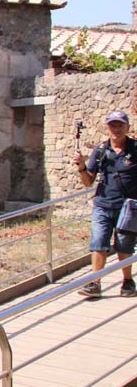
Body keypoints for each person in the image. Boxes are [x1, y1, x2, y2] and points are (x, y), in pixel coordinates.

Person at [73, 110, 137, 297]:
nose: (116, 129)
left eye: (120, 125)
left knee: (124, 246)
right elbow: (88, 181)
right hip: (102, 205)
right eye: (112, 125)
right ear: (107, 128)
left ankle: (127, 281)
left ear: (127, 127)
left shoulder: (135, 149)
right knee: (98, 242)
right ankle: (95, 282)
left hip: (128, 208)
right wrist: (82, 167)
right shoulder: (100, 150)